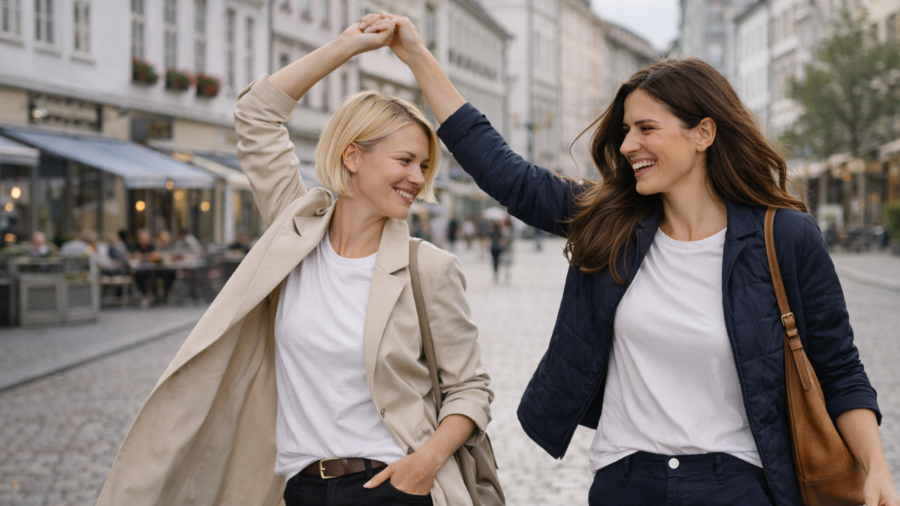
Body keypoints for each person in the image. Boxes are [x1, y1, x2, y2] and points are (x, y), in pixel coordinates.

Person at [360, 12, 900, 506]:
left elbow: (839, 367)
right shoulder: (612, 224)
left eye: (646, 129)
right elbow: (504, 171)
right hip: (625, 481)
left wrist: (875, 467)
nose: (626, 145)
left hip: (735, 483)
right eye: (625, 131)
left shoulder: (784, 235)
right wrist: (416, 55)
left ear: (703, 133)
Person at [97, 19, 492, 506]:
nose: (417, 177)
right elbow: (257, 113)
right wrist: (347, 46)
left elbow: (470, 389)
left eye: (424, 166)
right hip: (299, 489)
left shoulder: (426, 268)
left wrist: (424, 464)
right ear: (352, 156)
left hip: (391, 487)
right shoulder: (295, 233)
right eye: (405, 160)